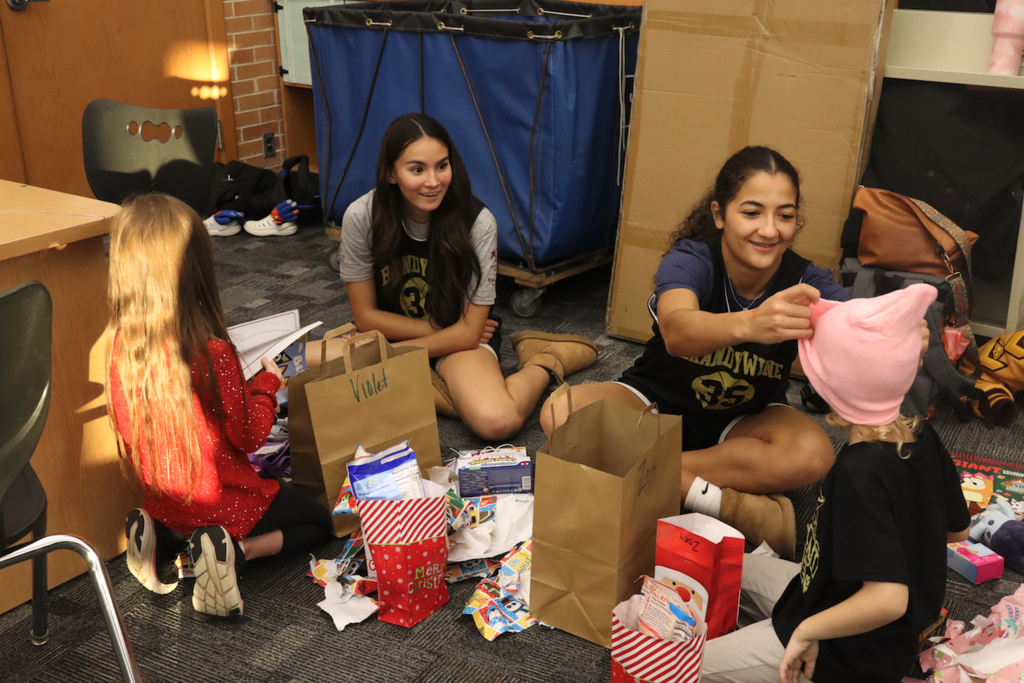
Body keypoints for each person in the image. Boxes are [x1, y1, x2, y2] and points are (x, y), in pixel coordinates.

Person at [540, 146, 847, 557]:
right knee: (560, 413)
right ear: (720, 215)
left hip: (745, 419)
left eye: (785, 216)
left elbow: (857, 325)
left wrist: (898, 329)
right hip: (653, 404)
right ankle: (727, 504)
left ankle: (642, 475)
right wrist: (753, 323)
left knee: (814, 453)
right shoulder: (691, 258)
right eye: (752, 212)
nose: (769, 230)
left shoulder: (806, 279)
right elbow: (677, 330)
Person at [699, 283, 970, 683]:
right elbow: (957, 530)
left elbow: (888, 599)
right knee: (726, 564)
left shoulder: (858, 474)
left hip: (846, 654)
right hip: (837, 602)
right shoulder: (922, 434)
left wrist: (808, 632)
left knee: (675, 668)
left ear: (829, 386)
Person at [105, 194, 333, 617]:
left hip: (165, 498)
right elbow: (249, 436)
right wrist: (266, 386)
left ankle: (160, 534)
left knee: (184, 516)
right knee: (319, 522)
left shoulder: (120, 347)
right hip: (223, 502)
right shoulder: (213, 353)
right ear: (197, 268)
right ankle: (234, 552)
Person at [327, 113, 598, 440]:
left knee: (496, 421)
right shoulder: (362, 216)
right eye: (417, 169)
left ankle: (545, 361)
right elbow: (365, 316)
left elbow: (470, 334)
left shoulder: (478, 223)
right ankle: (432, 386)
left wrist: (393, 357)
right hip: (396, 332)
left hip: (456, 346)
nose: (433, 181)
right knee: (299, 371)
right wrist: (439, 331)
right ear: (390, 173)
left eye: (442, 166)